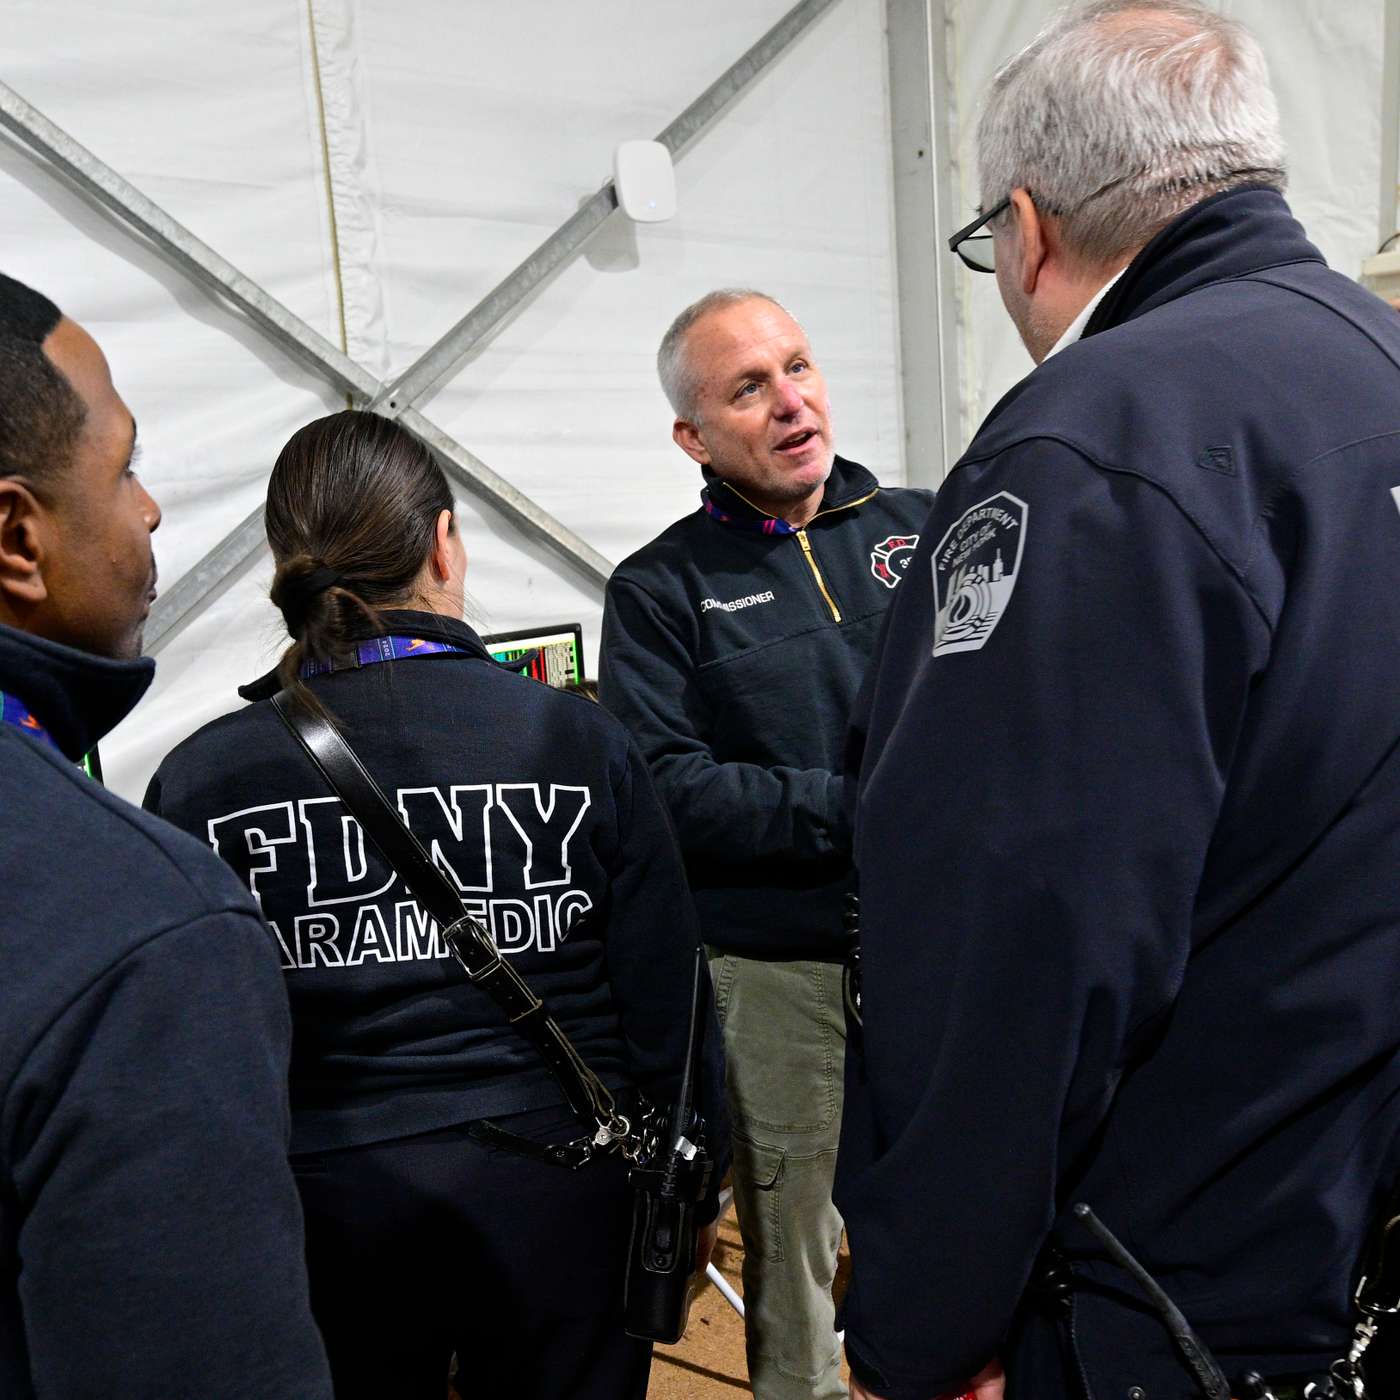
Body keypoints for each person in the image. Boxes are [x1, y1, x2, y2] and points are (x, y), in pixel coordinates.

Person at [834, 3, 1400, 1398]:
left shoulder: (1090, 446)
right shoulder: (1374, 372)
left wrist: (922, 1312)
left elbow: (1022, 930)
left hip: (1178, 1289)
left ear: (1026, 229)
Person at [145, 408, 725, 1400]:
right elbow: (668, 1000)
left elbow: (195, 1045)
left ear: (288, 561)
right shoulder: (578, 742)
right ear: (442, 541)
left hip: (325, 1204)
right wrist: (694, 1172)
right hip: (560, 1188)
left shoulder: (201, 779)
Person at [0, 273, 331, 1398]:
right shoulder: (141, 929)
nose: (146, 509)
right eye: (125, 464)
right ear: (16, 534)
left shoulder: (196, 782)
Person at [599, 289, 933, 1399]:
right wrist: (854, 805)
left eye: (797, 365)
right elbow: (667, 789)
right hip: (777, 971)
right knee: (793, 1252)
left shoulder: (922, 529)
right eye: (748, 387)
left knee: (955, 1211)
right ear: (692, 436)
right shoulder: (660, 591)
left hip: (940, 950)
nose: (791, 401)